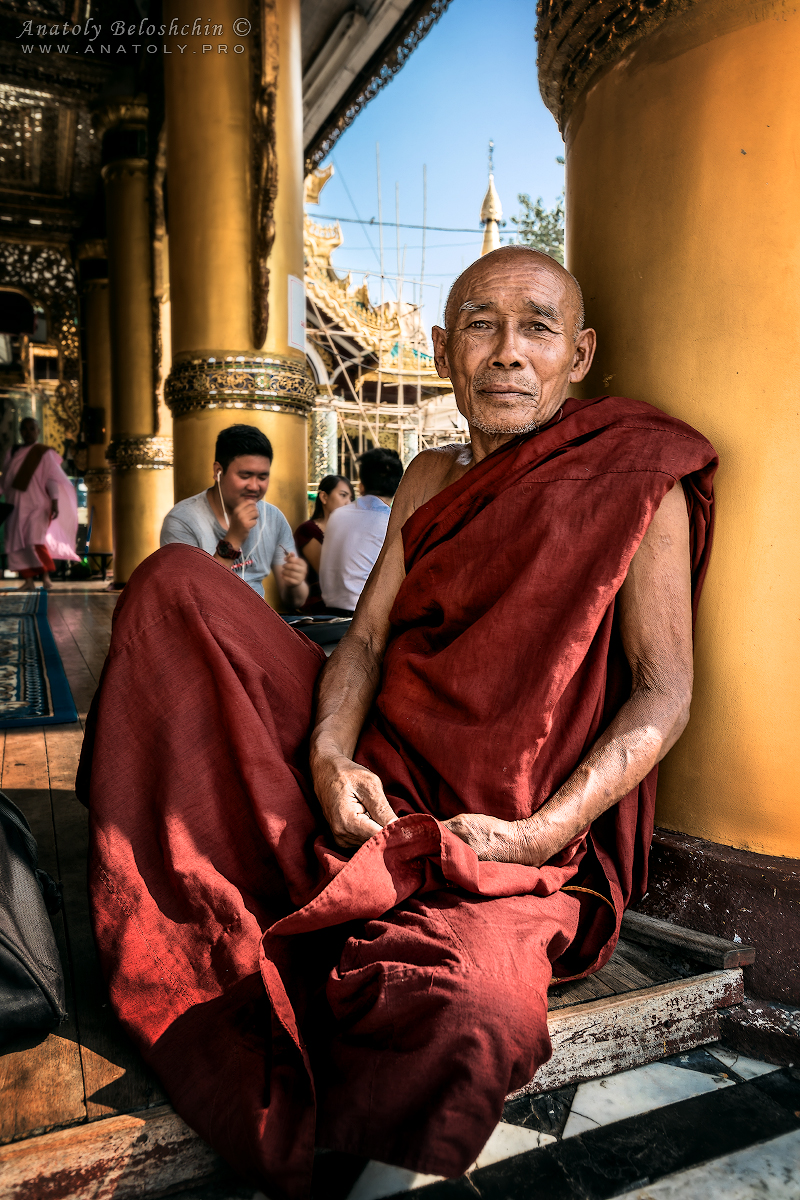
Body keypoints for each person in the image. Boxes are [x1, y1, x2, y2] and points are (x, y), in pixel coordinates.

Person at [77, 247, 718, 1199]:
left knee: (475, 1005)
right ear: (441, 348)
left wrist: (544, 830)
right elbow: (366, 643)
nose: (508, 353)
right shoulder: (426, 476)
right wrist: (331, 755)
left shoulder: (635, 472)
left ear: (579, 355)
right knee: (174, 588)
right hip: (376, 768)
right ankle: (213, 862)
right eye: (480, 324)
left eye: (537, 328)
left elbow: (663, 691)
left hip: (497, 830)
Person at [160, 423, 308, 607]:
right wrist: (233, 540)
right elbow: (191, 603)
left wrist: (295, 583)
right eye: (245, 476)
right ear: (218, 472)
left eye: (262, 477)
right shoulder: (182, 521)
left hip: (257, 624)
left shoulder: (273, 517)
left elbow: (296, 600)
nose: (254, 486)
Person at [318, 447, 404, 615]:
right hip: (364, 616)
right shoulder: (391, 523)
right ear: (398, 488)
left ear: (361, 486)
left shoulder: (337, 515)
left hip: (330, 611)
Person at [1, 417, 79, 590]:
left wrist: (55, 502)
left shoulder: (44, 453)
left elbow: (52, 479)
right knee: (15, 543)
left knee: (34, 540)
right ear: (20, 431)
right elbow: (5, 478)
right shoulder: (12, 452)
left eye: (31, 428)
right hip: (15, 504)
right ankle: (28, 580)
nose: (28, 432)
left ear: (38, 431)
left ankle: (45, 577)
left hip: (38, 505)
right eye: (24, 429)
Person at [294, 474, 354, 611]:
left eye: (351, 499)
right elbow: (328, 573)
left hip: (344, 600)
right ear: (324, 497)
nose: (348, 503)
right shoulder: (308, 530)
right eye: (343, 495)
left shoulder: (347, 531)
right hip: (318, 604)